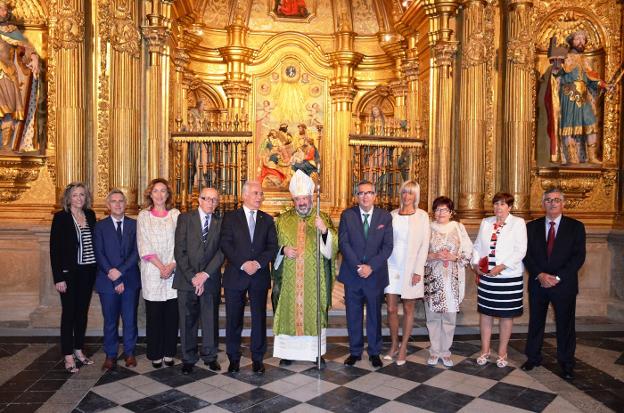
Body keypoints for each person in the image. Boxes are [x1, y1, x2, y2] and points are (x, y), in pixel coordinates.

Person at [272, 170, 338, 365]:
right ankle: (287, 353)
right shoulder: (283, 221)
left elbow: (333, 250)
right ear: (293, 200)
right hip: (289, 280)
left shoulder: (322, 218)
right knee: (288, 311)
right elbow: (271, 246)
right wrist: (282, 250)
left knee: (314, 311)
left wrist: (325, 231)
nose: (301, 203)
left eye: (305, 198)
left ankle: (315, 352)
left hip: (314, 280)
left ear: (311, 198)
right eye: (298, 199)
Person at [522, 188, 586, 380]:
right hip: (538, 283)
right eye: (548, 200)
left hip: (563, 284)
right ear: (543, 204)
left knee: (565, 324)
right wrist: (540, 274)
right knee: (536, 322)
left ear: (563, 203)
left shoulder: (576, 227)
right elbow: (526, 255)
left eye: (556, 200)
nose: (552, 203)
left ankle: (566, 363)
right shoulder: (531, 227)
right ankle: (533, 357)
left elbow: (578, 257)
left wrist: (557, 277)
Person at [221, 181, 278, 374]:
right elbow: (226, 244)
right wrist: (244, 264)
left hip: (259, 275)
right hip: (236, 274)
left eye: (261, 194)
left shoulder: (267, 220)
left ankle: (257, 358)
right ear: (244, 195)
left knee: (259, 319)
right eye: (255, 193)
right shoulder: (230, 218)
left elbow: (272, 246)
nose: (259, 197)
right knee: (233, 319)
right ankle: (234, 358)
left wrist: (258, 263)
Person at [338, 180, 393, 368]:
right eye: (361, 193)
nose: (365, 196)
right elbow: (343, 243)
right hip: (353, 275)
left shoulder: (384, 217)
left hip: (374, 275)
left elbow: (387, 247)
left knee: (374, 315)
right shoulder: (347, 215)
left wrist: (370, 266)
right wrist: (358, 266)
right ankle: (355, 351)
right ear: (356, 196)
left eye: (369, 192)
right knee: (353, 314)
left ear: (375, 195)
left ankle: (374, 352)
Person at [472, 192, 527, 368]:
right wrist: (475, 264)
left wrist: (501, 267)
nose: (498, 207)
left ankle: (502, 352)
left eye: (502, 204)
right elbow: (477, 246)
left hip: (508, 277)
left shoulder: (518, 223)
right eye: (496, 204)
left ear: (509, 207)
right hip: (487, 277)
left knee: (506, 315)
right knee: (486, 314)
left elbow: (520, 250)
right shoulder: (486, 222)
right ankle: (485, 350)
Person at [174, 187, 224, 375]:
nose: (210, 203)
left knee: (210, 320)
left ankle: (210, 357)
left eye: (214, 200)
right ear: (199, 200)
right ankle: (188, 358)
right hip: (187, 281)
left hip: (209, 280)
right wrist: (193, 277)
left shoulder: (220, 222)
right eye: (207, 199)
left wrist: (205, 275)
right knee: (187, 321)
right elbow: (179, 250)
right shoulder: (185, 219)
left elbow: (221, 252)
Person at [543, 31, 611, 165]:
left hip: (584, 97)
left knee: (590, 123)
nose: (580, 41)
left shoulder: (585, 60)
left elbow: (592, 79)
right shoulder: (565, 56)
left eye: (583, 39)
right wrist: (557, 67)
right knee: (570, 125)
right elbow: (557, 73)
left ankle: (592, 156)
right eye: (577, 39)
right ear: (571, 41)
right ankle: (572, 156)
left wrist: (604, 85)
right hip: (569, 94)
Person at [50, 182, 97, 373]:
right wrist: (58, 277)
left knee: (82, 314)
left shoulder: (91, 215)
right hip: (69, 274)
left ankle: (79, 350)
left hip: (88, 272)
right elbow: (55, 250)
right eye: (76, 195)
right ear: (68, 198)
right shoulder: (61, 218)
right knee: (68, 314)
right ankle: (68, 355)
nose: (79, 198)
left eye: (82, 195)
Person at [384, 180, 429, 366]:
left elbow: (424, 244)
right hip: (391, 265)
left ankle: (403, 347)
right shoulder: (392, 215)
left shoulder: (422, 216)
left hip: (411, 268)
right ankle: (394, 344)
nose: (406, 196)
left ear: (416, 196)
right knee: (391, 308)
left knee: (409, 308)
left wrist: (418, 270)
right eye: (404, 192)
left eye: (410, 193)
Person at [94, 189, 140, 371]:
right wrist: (113, 277)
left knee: (130, 320)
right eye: (114, 201)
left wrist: (119, 272)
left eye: (121, 201)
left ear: (125, 203)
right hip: (107, 282)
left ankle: (129, 353)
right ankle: (110, 355)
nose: (118, 204)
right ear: (108, 205)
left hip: (130, 280)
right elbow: (99, 253)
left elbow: (137, 252)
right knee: (110, 321)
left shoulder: (134, 225)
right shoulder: (100, 226)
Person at [424, 196, 473, 367]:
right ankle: (434, 351)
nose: (440, 213)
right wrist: (433, 256)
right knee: (432, 317)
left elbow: (468, 252)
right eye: (437, 209)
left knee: (449, 317)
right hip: (432, 278)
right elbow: (418, 252)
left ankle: (445, 352)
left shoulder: (458, 227)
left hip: (452, 278)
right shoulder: (427, 228)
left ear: (451, 212)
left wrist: (455, 257)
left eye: (444, 209)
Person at [137, 178, 180, 368]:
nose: (160, 195)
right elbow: (143, 244)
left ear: (168, 194)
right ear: (150, 194)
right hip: (152, 271)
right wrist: (160, 266)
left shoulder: (176, 215)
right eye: (156, 191)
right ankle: (155, 353)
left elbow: (181, 243)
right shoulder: (143, 216)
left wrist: (171, 265)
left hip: (173, 270)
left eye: (163, 191)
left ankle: (169, 352)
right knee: (154, 316)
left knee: (172, 315)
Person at [0, 0, 41, 151]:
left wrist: (34, 58)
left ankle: (6, 146)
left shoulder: (10, 30)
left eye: (1, 9)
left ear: (6, 12)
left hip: (6, 74)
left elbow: (27, 48)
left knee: (7, 111)